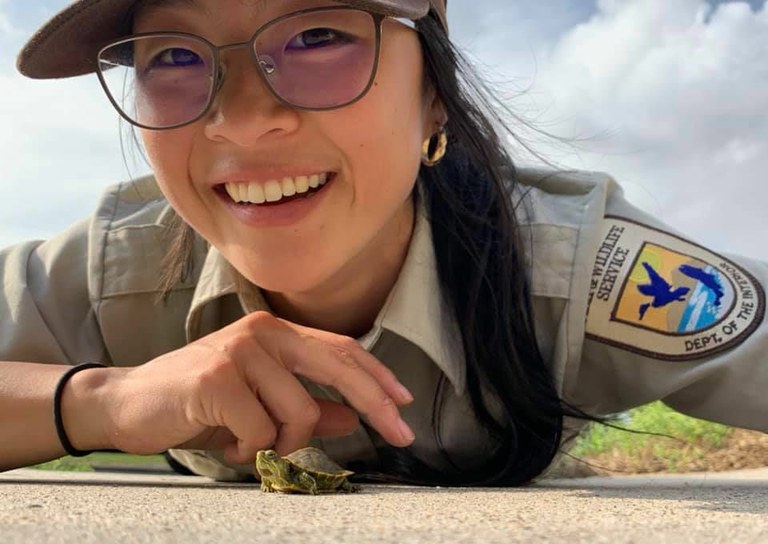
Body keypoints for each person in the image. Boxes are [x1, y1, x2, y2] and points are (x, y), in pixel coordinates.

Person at [1, 0, 765, 485]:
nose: (239, 119)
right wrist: (104, 400)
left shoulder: (575, 276)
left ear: (435, 95)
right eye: (172, 56)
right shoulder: (117, 270)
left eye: (320, 35)